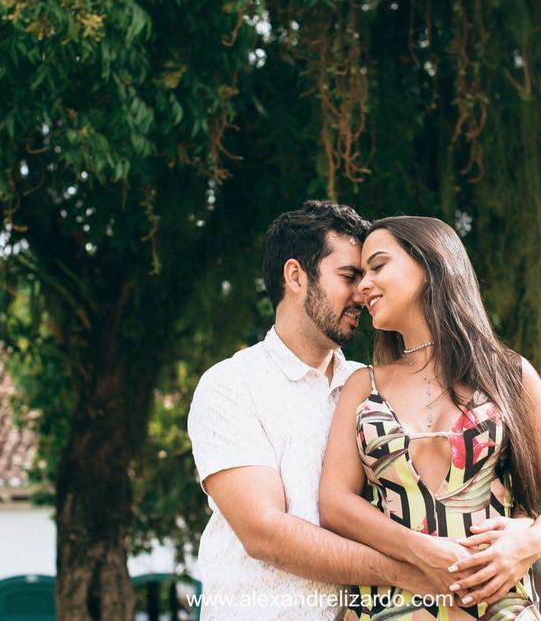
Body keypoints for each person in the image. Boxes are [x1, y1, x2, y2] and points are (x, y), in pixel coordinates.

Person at [188, 201, 497, 621]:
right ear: (295, 276)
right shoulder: (232, 385)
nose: (363, 291)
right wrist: (414, 574)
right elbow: (264, 533)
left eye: (369, 275)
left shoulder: (371, 387)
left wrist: (522, 531)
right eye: (349, 276)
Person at [320, 216, 541, 620]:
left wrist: (528, 544)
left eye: (377, 266)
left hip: (499, 606)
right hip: (389, 608)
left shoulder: (511, 375)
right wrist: (420, 551)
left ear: (430, 264)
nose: (362, 287)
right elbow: (334, 503)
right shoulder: (363, 384)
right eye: (359, 275)